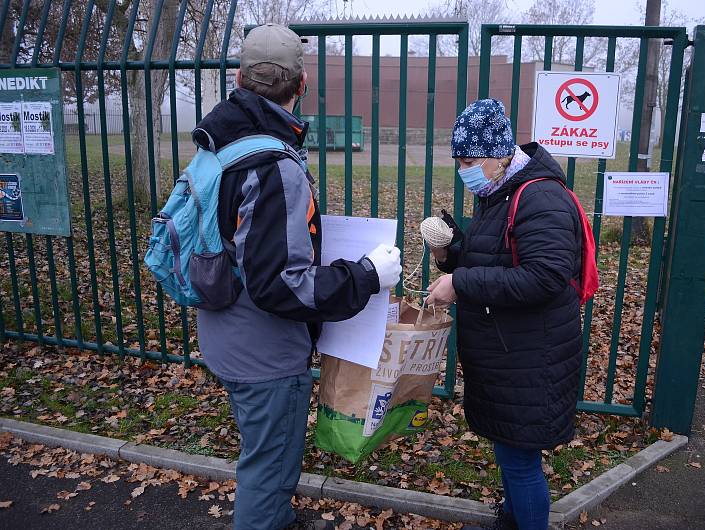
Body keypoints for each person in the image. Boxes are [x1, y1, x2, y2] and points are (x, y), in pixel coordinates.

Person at [194, 24, 402, 530]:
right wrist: (367, 276)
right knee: (269, 466)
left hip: (222, 330)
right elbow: (280, 287)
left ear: (240, 78)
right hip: (265, 352)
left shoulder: (216, 142)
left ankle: (276, 517)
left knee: (262, 452)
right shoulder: (273, 164)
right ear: (301, 85)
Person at [425, 99, 583, 530]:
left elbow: (545, 276)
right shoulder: (499, 192)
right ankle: (511, 520)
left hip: (532, 356)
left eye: (471, 160)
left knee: (520, 462)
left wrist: (459, 284)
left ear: (501, 152)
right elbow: (497, 259)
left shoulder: (540, 197)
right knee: (511, 450)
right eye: (459, 160)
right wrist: (450, 253)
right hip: (510, 352)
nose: (464, 169)